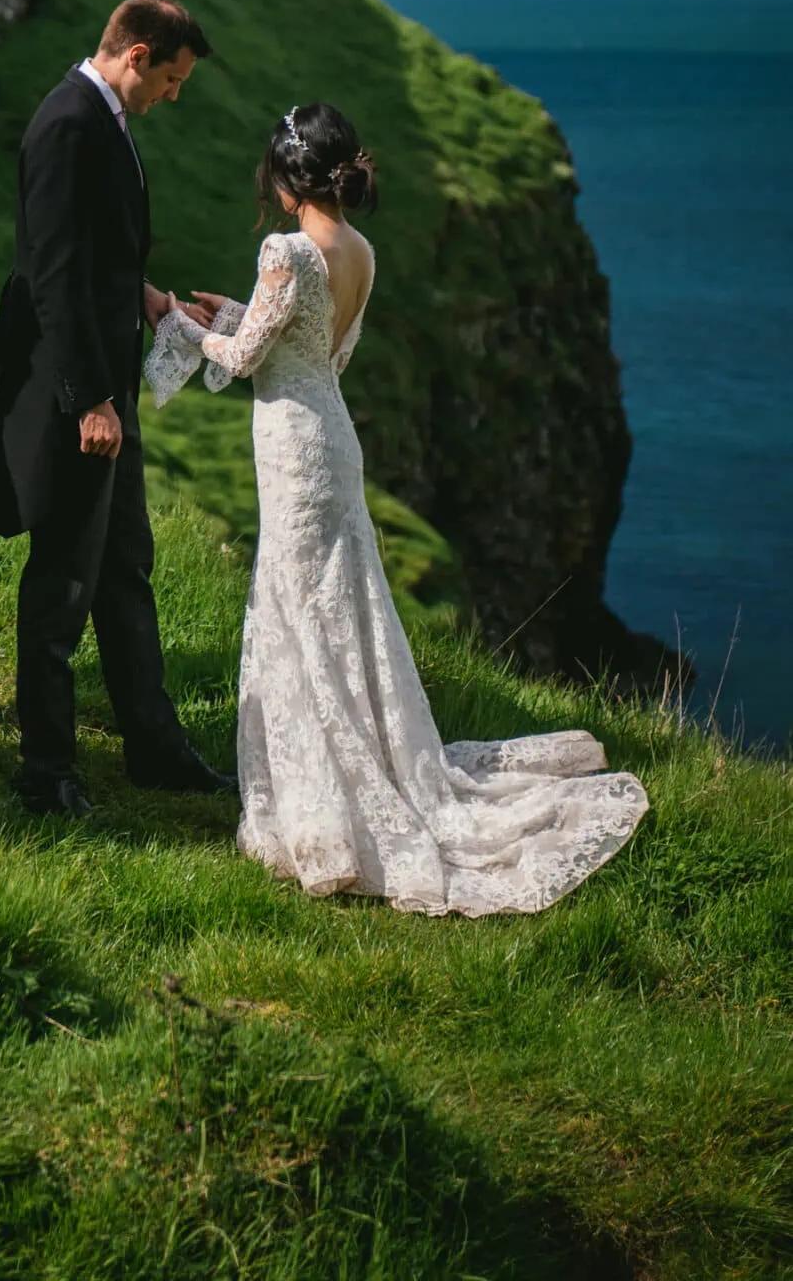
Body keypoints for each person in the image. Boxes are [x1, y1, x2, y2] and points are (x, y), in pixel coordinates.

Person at [147, 103, 649, 915]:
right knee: (338, 606)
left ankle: (322, 810)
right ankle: (355, 774)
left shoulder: (285, 250)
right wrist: (233, 317)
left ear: (284, 180)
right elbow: (317, 353)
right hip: (332, 436)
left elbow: (247, 363)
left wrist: (175, 320)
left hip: (293, 446)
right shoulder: (361, 251)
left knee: (298, 607)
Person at [0, 0, 233, 817]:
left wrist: (149, 299)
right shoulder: (68, 124)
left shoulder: (104, 118)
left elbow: (95, 253)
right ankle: (45, 771)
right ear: (136, 55)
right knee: (62, 581)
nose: (173, 95)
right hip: (75, 398)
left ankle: (154, 747)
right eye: (172, 79)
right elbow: (50, 274)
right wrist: (91, 402)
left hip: (110, 384)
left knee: (126, 567)